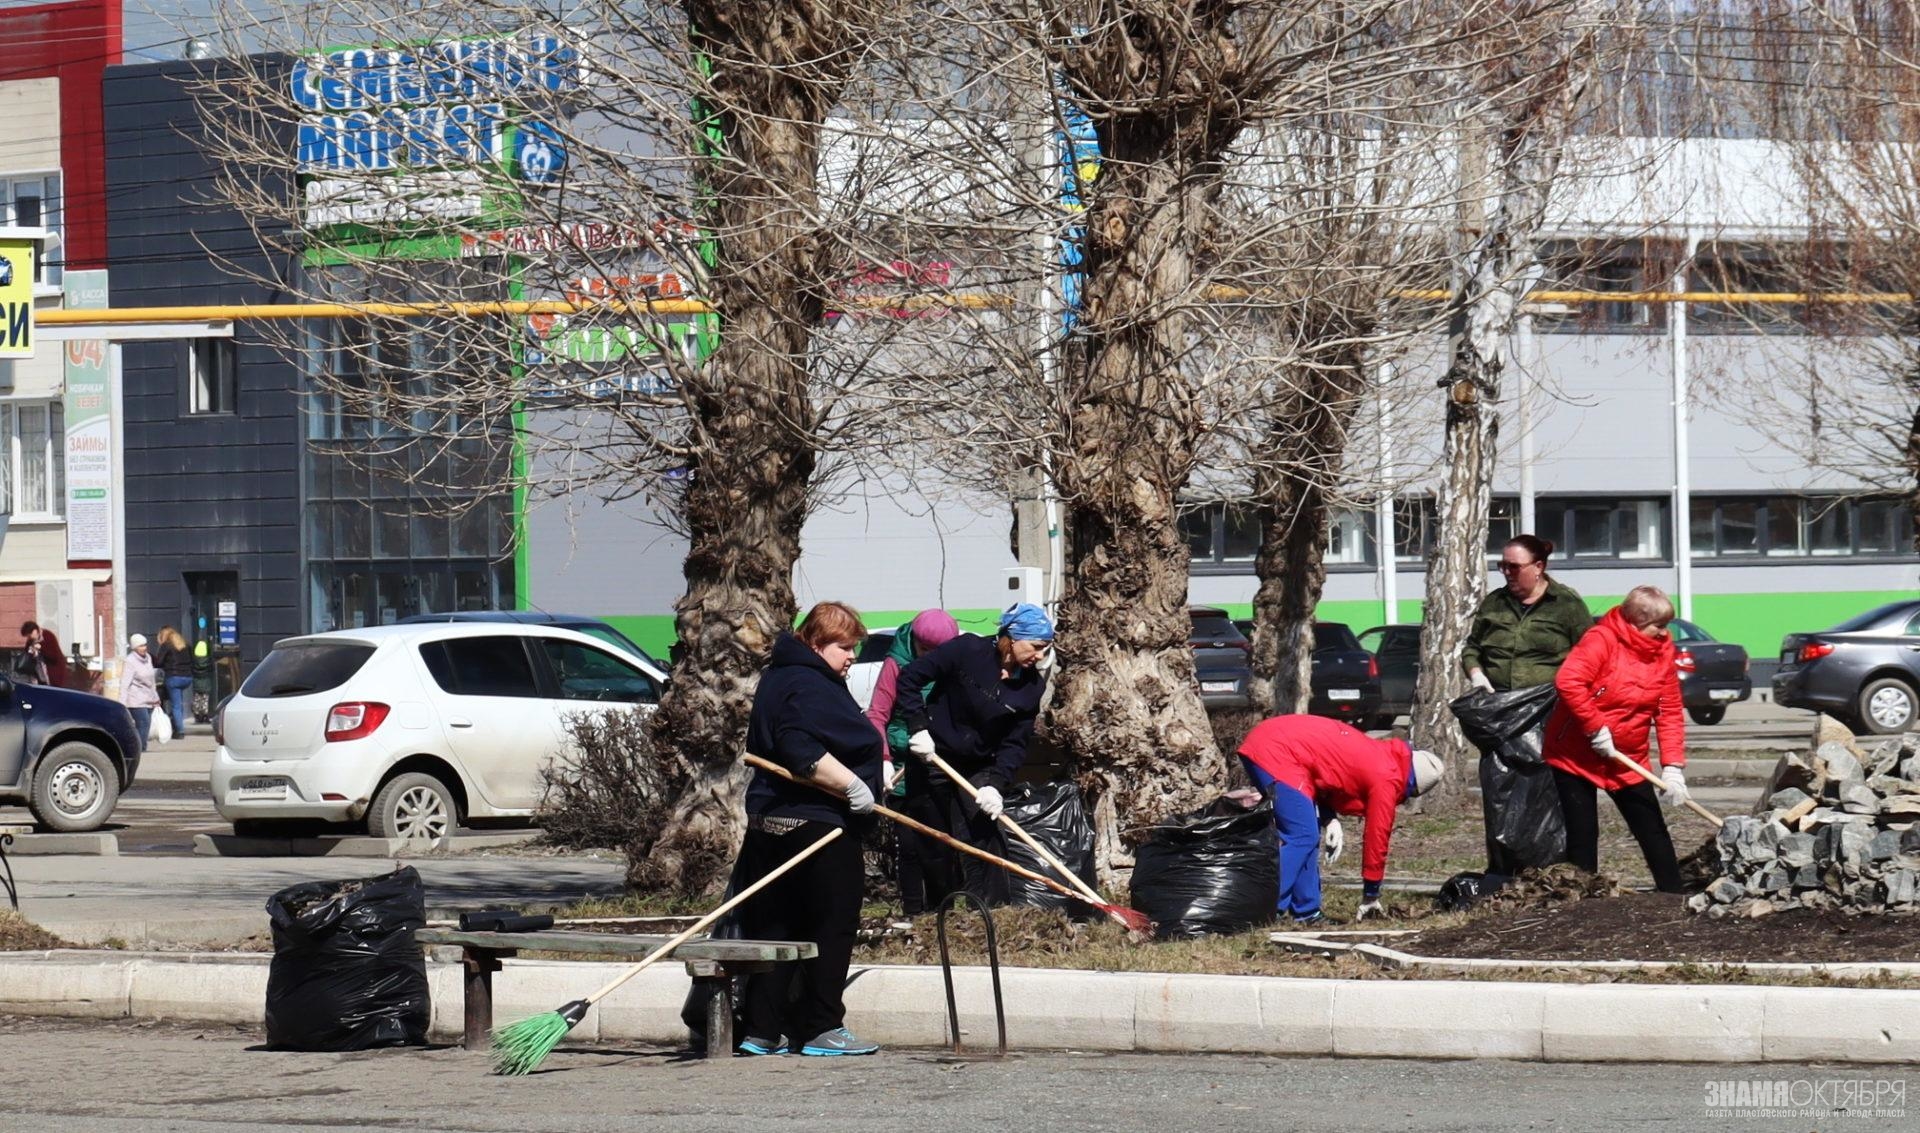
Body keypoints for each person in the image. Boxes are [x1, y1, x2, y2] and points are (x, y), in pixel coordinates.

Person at [736, 601, 885, 1058]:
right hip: (817, 823)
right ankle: (822, 1026)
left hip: (772, 821)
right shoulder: (807, 683)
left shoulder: (780, 675)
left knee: (776, 925)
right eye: (844, 647)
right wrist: (854, 785)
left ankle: (763, 1029)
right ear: (817, 643)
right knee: (832, 923)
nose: (851, 656)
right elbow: (800, 749)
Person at [892, 602, 1053, 909]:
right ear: (1012, 637)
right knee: (934, 839)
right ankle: (939, 914)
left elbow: (1015, 742)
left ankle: (990, 912)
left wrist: (997, 783)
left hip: (978, 765)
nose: (1040, 656)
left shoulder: (1031, 687)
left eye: (1045, 648)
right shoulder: (966, 651)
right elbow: (910, 679)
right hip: (932, 755)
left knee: (984, 836)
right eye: (1036, 647)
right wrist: (918, 727)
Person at [1542, 585, 1689, 893]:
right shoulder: (1602, 640)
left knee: (1651, 826)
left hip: (1627, 756)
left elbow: (1669, 709)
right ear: (1636, 621)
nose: (1664, 634)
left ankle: (1673, 894)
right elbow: (1568, 681)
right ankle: (1583, 903)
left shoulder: (1662, 651)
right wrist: (1595, 728)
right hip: (1575, 753)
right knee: (1583, 833)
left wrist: (1673, 766)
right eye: (1658, 626)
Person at [1459, 534, 1591, 874]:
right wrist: (1476, 674)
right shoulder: (1494, 604)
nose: (1507, 572)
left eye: (1514, 567)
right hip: (1502, 717)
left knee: (1547, 795)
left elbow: (1589, 656)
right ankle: (1506, 868)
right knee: (1501, 794)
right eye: (1502, 566)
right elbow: (1472, 647)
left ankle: (1553, 867)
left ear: (1539, 567)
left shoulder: (1567, 605)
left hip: (1549, 716)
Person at [1236, 714, 1444, 924]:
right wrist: (1371, 894)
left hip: (1273, 742)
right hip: (1277, 750)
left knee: (1307, 834)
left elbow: (1325, 776)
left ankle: (1307, 912)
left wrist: (1329, 819)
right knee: (1302, 835)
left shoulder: (1382, 756)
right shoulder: (1388, 778)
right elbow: (1376, 838)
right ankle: (1266, 909)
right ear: (1412, 786)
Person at [862, 608, 960, 916]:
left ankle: (943, 909)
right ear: (915, 642)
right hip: (903, 766)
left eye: (937, 652)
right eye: (925, 650)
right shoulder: (896, 663)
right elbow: (878, 714)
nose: (930, 656)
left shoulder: (955, 661)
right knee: (909, 844)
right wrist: (884, 758)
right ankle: (914, 913)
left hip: (939, 762)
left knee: (941, 842)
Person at [121, 634, 161, 752]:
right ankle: (139, 749)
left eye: (145, 645)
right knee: (143, 723)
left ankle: (140, 747)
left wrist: (156, 697)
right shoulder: (130, 661)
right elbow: (124, 683)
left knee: (146, 725)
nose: (144, 648)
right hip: (135, 699)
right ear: (134, 647)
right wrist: (122, 703)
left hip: (148, 698)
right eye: (141, 646)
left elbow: (151, 680)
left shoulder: (148, 658)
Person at [152, 626, 194, 737]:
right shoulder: (186, 644)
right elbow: (192, 660)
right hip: (187, 678)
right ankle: (176, 723)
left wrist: (152, 657)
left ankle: (180, 731)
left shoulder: (166, 646)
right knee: (178, 705)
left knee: (175, 706)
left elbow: (159, 663)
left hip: (173, 678)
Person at [19, 621, 70, 688]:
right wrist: (31, 652)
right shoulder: (31, 641)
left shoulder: (48, 636)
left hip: (52, 674)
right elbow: (27, 653)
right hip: (39, 675)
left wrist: (41, 648)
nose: (29, 638)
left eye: (29, 635)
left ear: (35, 631)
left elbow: (54, 656)